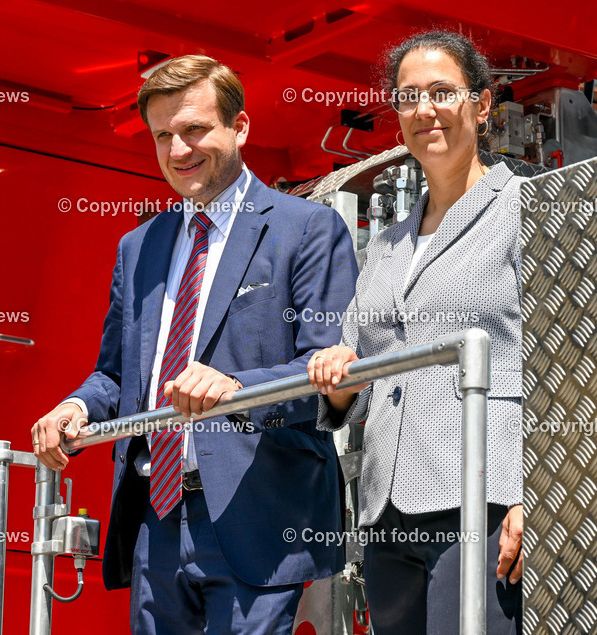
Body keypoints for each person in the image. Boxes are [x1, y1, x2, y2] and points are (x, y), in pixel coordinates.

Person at [31, 54, 358, 635]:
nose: (178, 150)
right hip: (156, 516)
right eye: (163, 136)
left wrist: (235, 389)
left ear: (241, 127)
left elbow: (327, 371)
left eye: (195, 130)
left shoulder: (306, 228)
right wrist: (74, 407)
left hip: (259, 512)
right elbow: (116, 375)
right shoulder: (139, 246)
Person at [308, 30, 524, 634]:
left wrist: (538, 496)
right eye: (408, 97)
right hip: (387, 508)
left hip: (482, 497)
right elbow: (357, 368)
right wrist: (337, 382)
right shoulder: (387, 244)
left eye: (441, 92)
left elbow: (567, 359)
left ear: (481, 107)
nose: (424, 110)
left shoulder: (523, 210)